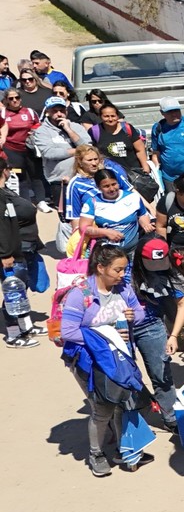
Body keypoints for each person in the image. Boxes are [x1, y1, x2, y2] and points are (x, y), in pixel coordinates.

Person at [58, 244, 153, 476]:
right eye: (117, 270)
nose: (122, 275)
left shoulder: (123, 288)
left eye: (124, 269)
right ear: (100, 267)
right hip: (89, 363)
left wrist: (134, 315)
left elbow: (140, 313)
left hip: (120, 359)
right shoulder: (80, 295)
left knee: (123, 403)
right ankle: (96, 454)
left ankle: (124, 449)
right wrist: (106, 334)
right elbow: (68, 331)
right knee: (102, 409)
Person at [128, 238, 184, 428]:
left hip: (152, 325)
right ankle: (136, 413)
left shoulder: (171, 273)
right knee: (126, 375)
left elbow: (182, 303)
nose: (157, 268)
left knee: (161, 373)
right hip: (121, 329)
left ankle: (171, 418)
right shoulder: (123, 270)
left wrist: (174, 335)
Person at [0, 155, 43, 346]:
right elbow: (1, 228)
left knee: (21, 289)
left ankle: (25, 327)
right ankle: (13, 334)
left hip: (20, 249)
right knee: (13, 292)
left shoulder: (5, 191)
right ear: (5, 171)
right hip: (9, 254)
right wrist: (5, 254)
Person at [32, 98, 91, 209]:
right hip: (61, 181)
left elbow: (88, 148)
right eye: (55, 111)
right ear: (47, 112)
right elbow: (50, 153)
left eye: (62, 110)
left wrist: (69, 130)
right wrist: (77, 151)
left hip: (84, 178)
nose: (59, 114)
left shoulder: (77, 127)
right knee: (66, 215)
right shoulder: (42, 131)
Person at [77, 169, 154, 254]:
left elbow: (142, 215)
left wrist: (146, 225)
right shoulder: (92, 202)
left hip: (133, 252)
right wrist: (106, 232)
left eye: (114, 184)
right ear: (99, 187)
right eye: (106, 186)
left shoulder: (133, 197)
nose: (112, 189)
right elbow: (84, 228)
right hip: (107, 254)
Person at [88, 102, 155, 196]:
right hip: (110, 176)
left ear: (117, 116)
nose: (110, 119)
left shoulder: (127, 128)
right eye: (106, 116)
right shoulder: (95, 131)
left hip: (133, 174)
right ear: (100, 117)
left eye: (113, 116)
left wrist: (145, 167)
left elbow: (140, 149)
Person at [2, 87, 43, 206]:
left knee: (36, 175)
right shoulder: (3, 114)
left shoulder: (29, 112)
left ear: (20, 99)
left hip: (30, 148)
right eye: (11, 98)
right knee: (20, 176)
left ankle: (41, 201)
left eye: (17, 97)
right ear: (6, 100)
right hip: (11, 149)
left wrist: (33, 131)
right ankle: (25, 202)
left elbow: (38, 124)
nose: (14, 100)